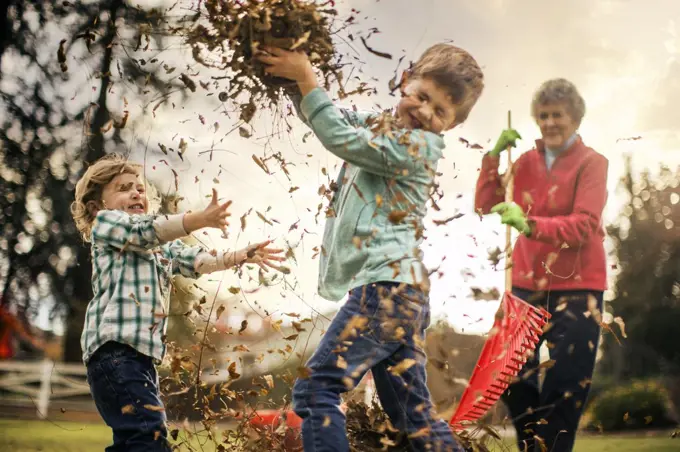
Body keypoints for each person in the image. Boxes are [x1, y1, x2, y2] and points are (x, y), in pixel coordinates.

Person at [256, 43, 484, 451]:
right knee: (412, 417)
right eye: (423, 96)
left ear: (449, 126)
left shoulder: (418, 148)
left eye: (441, 112)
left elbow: (341, 139)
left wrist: (307, 77)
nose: (426, 112)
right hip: (404, 294)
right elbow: (332, 116)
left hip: (386, 291)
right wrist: (293, 80)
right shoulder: (382, 126)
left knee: (317, 390)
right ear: (404, 80)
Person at [71, 154, 285, 451]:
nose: (136, 193)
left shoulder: (159, 248)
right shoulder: (106, 224)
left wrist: (239, 256)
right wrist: (198, 219)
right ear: (97, 206)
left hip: (140, 359)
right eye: (123, 188)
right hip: (114, 352)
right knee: (148, 438)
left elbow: (196, 261)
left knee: (134, 440)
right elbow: (143, 230)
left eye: (140, 188)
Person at [475, 78, 609, 452]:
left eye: (558, 115)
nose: (550, 122)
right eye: (544, 115)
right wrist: (492, 157)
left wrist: (530, 224)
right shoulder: (524, 163)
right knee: (510, 374)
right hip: (526, 283)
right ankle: (534, 445)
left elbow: (585, 224)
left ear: (575, 118)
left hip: (579, 287)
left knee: (565, 385)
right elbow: (486, 204)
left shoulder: (592, 163)